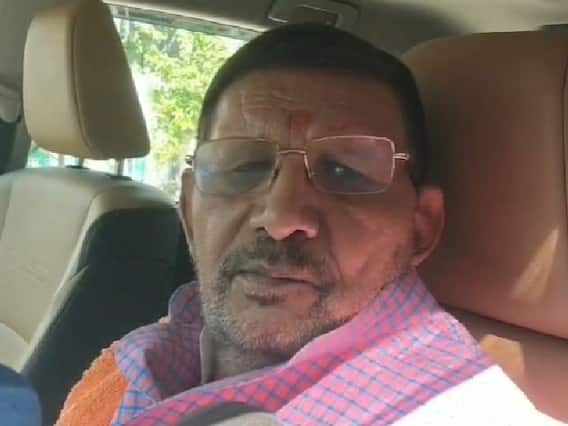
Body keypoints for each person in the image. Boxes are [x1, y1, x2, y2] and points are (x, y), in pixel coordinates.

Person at [56, 24, 561, 426]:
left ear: (421, 229)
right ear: (188, 211)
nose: (281, 219)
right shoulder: (141, 358)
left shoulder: (451, 409)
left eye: (346, 172)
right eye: (241, 167)